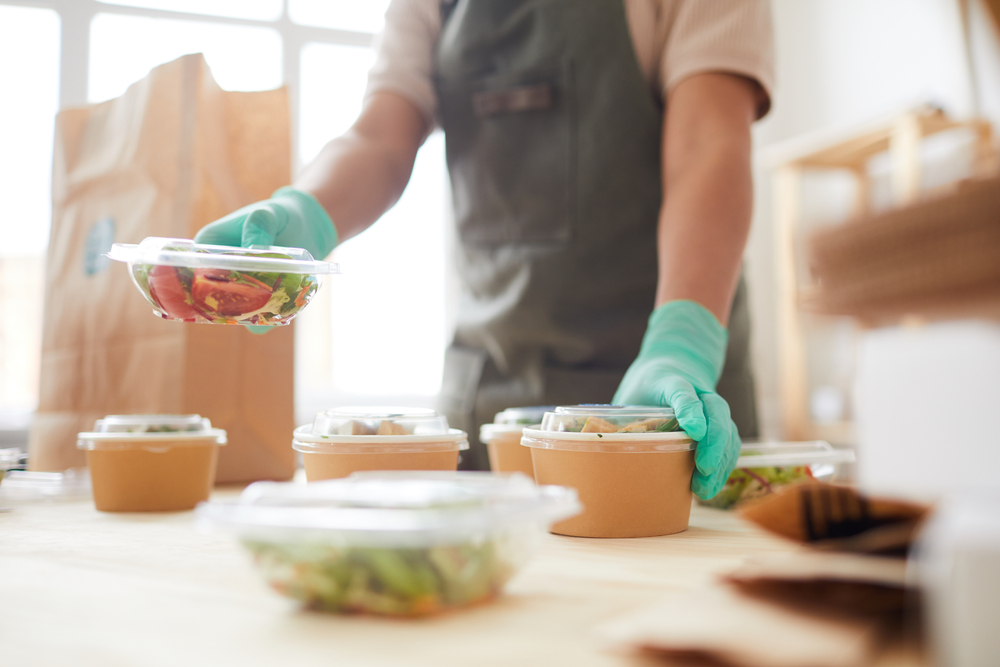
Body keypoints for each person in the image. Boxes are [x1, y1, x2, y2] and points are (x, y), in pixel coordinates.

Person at [195, 0, 774, 499]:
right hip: (491, 405)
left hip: (670, 405)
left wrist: (682, 342)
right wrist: (304, 211)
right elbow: (380, 137)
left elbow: (710, 142)